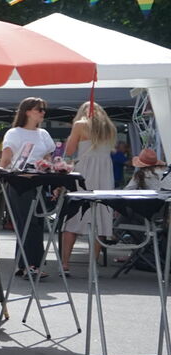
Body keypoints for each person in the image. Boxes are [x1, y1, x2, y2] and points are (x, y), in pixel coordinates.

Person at [0, 97, 56, 278]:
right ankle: (32, 265)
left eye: (43, 109)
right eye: (39, 109)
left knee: (36, 223)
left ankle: (24, 264)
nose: (43, 112)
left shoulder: (43, 134)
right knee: (27, 222)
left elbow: (48, 159)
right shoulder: (14, 133)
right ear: (28, 111)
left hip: (39, 181)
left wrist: (53, 179)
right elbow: (6, 160)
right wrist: (2, 178)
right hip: (19, 181)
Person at [60, 102, 117, 274]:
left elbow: (69, 150)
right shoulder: (110, 127)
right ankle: (93, 264)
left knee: (74, 217)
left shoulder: (80, 125)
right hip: (105, 175)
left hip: (85, 172)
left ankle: (65, 264)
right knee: (99, 218)